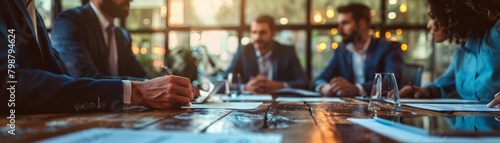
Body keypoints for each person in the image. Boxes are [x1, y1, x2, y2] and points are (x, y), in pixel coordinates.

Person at [0, 0, 199, 114]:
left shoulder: (31, 9)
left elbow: (61, 78)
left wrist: (166, 87)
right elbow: (8, 84)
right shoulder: (70, 20)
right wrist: (136, 92)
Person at [399, 0, 500, 107]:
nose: (428, 25)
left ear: (451, 14)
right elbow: (443, 85)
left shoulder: (495, 35)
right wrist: (425, 91)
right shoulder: (460, 53)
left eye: (433, 17)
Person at [313, 3, 404, 96]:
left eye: (345, 23)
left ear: (361, 24)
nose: (339, 29)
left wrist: (358, 89)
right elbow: (319, 79)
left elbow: (391, 82)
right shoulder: (342, 50)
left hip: (379, 108)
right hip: (348, 108)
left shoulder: (388, 48)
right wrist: (325, 88)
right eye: (339, 23)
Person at [51, 0, 147, 80]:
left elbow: (139, 74)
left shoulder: (122, 35)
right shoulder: (69, 22)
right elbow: (84, 78)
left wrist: (158, 84)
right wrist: (142, 86)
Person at [224, 15, 308, 94]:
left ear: (273, 33)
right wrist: (245, 87)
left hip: (279, 103)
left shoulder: (287, 51)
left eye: (262, 33)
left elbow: (304, 82)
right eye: (254, 32)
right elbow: (225, 80)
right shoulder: (243, 51)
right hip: (250, 103)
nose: (257, 37)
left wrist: (280, 85)